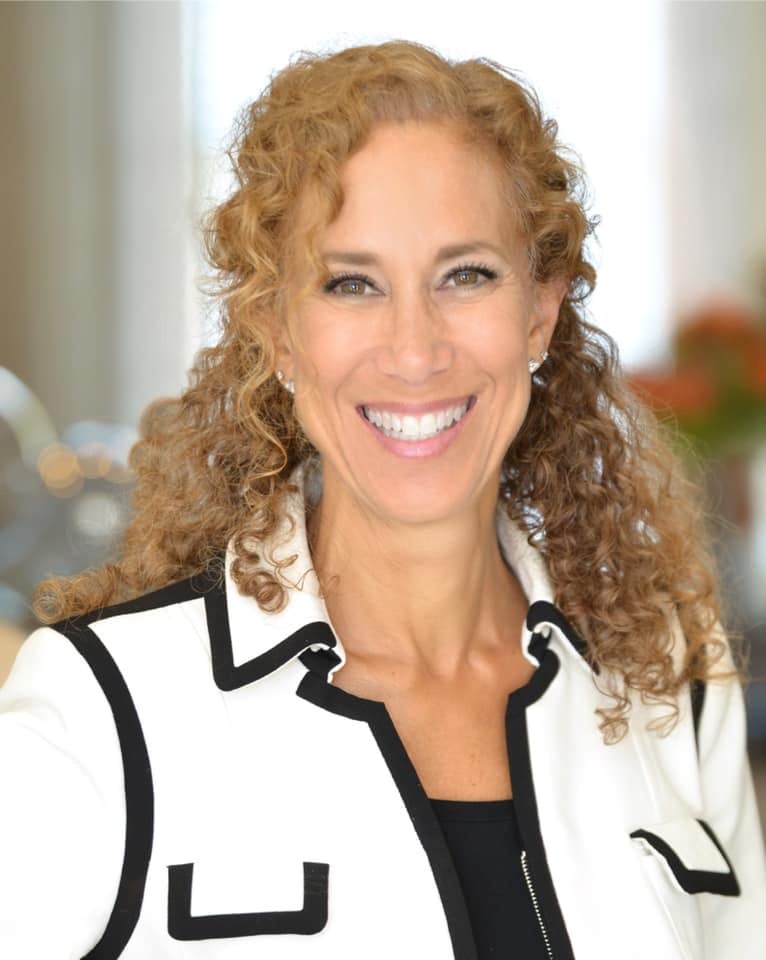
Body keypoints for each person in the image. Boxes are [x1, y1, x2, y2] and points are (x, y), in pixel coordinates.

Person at [1, 39, 764, 960]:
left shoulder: (671, 680)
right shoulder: (101, 706)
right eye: (351, 284)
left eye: (466, 275)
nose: (414, 351)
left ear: (540, 310)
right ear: (278, 332)